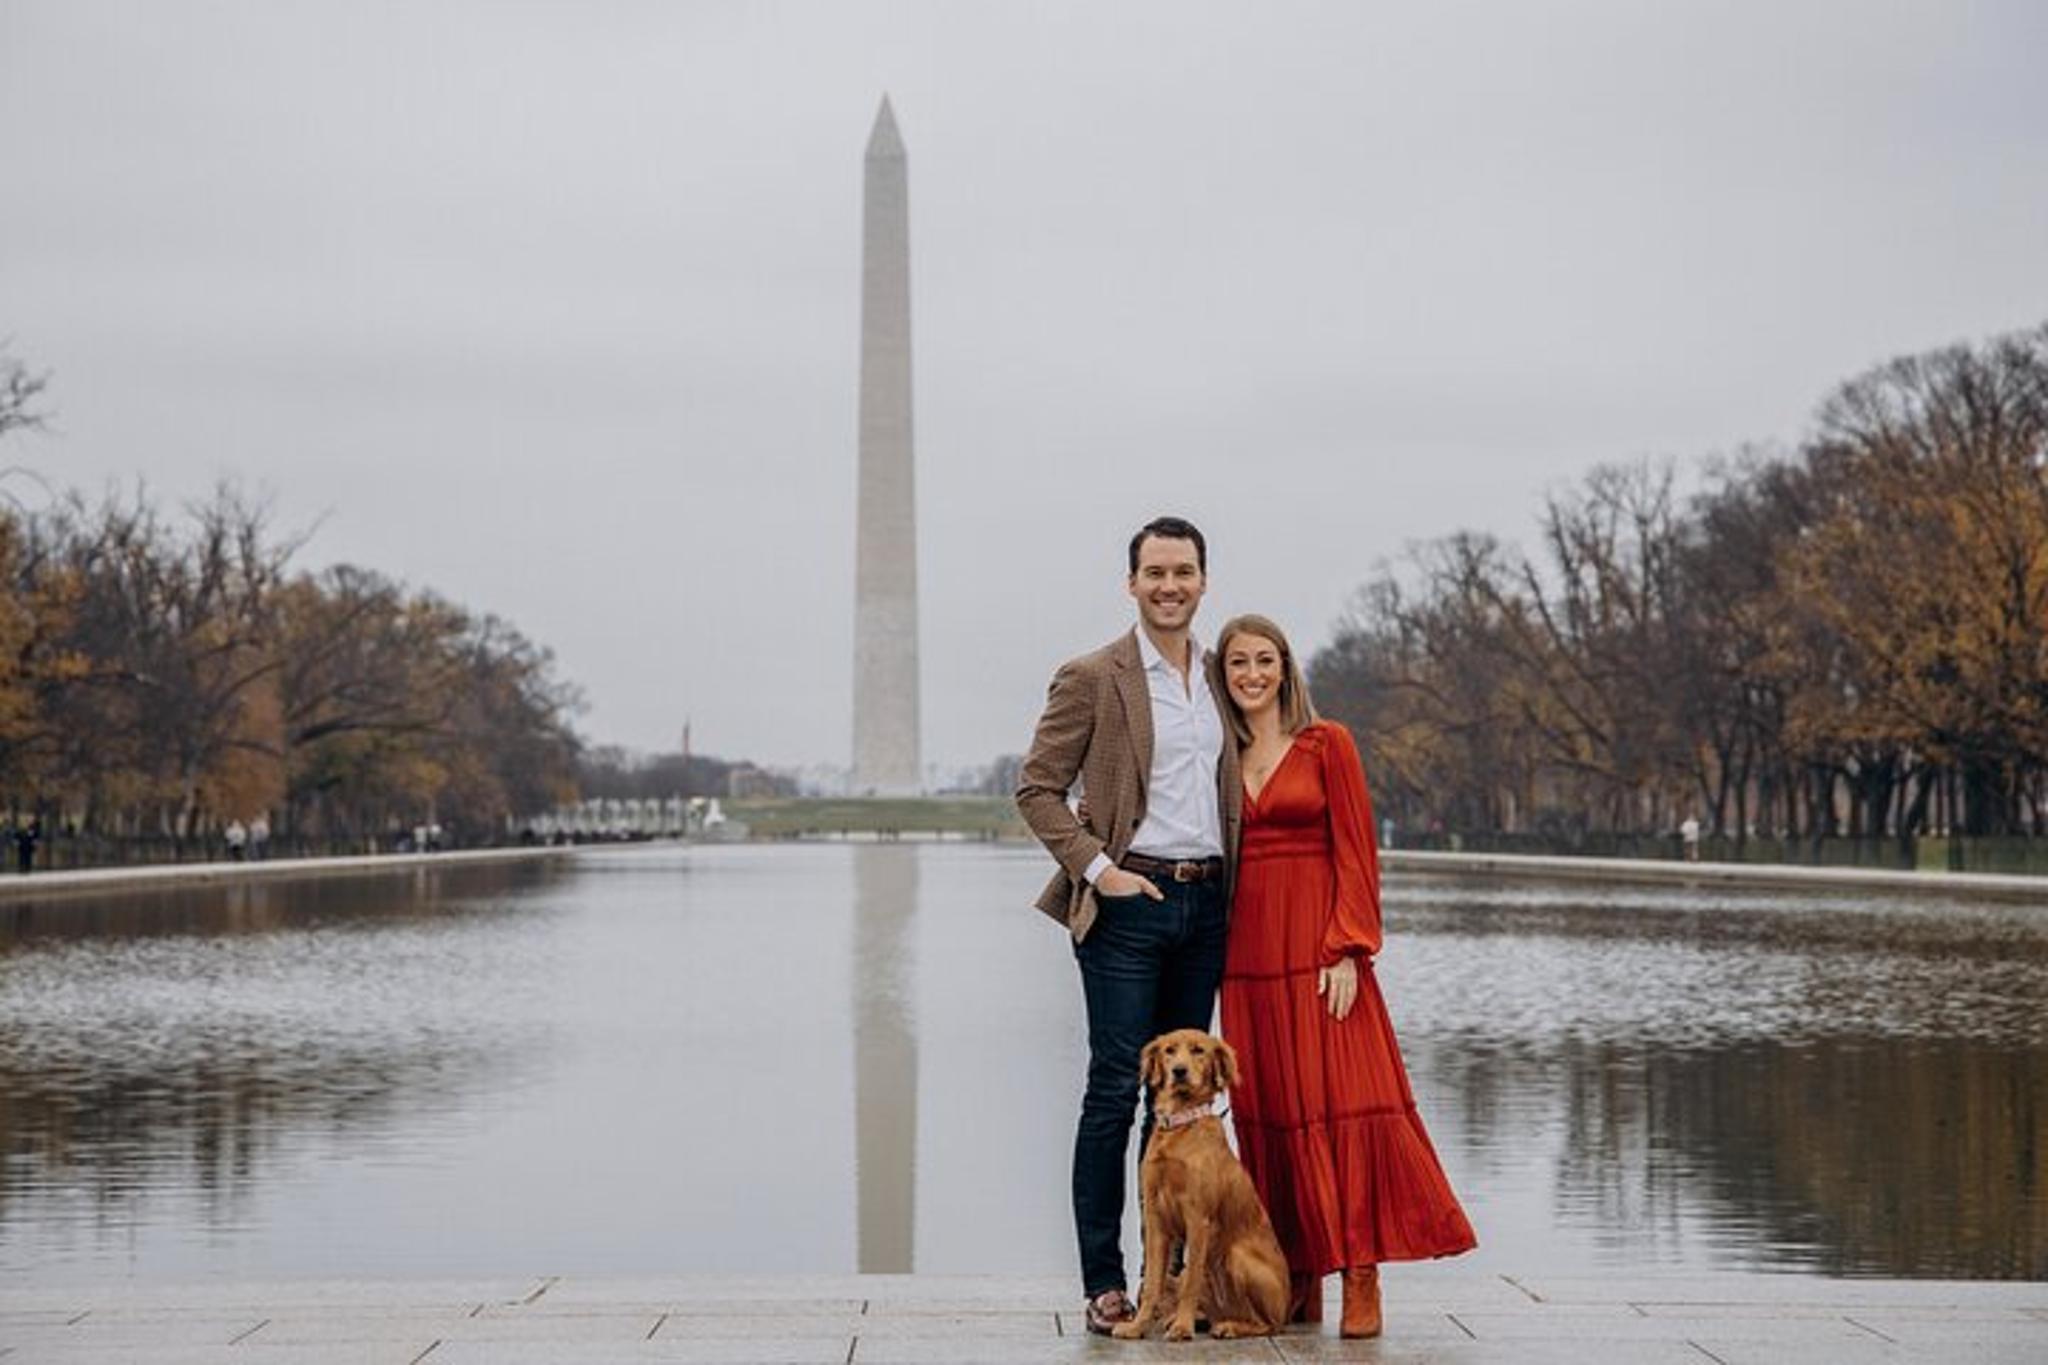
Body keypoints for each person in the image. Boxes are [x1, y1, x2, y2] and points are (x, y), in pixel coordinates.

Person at [1212, 614, 1475, 1339]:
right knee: (1271, 1111)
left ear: (1286, 667)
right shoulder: (1219, 751)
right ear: (1223, 674)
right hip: (1249, 955)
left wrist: (1350, 948)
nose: (1253, 674)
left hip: (1321, 949)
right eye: (1238, 663)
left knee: (1343, 1102)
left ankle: (1360, 1269)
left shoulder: (1330, 743)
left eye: (1265, 660)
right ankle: (1295, 1270)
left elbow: (1357, 849)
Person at [1016, 515, 1243, 1337]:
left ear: (1204, 581)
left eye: (1183, 572)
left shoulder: (1226, 677)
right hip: (1128, 900)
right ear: (1132, 582)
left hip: (1208, 900)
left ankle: (1171, 1279)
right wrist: (1100, 869)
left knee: (1182, 1103)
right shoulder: (1092, 676)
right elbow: (1036, 789)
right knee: (1116, 1088)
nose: (1170, 586)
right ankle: (1105, 1281)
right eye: (1155, 572)